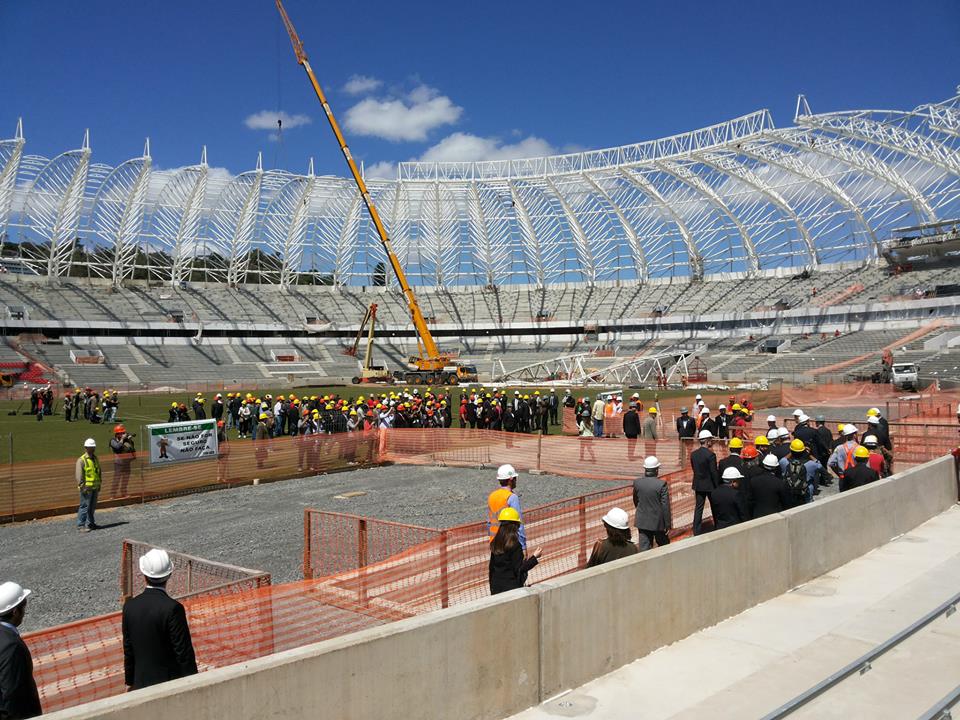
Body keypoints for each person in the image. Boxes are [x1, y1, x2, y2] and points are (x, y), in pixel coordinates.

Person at [122, 548, 198, 691]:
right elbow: (183, 653)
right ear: (169, 574)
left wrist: (130, 681)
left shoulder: (130, 607)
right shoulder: (173, 609)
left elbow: (128, 649)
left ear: (144, 574)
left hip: (141, 683)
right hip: (169, 686)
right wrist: (194, 682)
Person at [0, 581, 41, 719]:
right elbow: (12, 696)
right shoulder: (11, 646)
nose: (24, 612)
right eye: (24, 607)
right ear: (15, 611)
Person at [488, 507, 541, 595]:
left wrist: (492, 588)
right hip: (511, 589)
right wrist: (534, 557)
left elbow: (491, 568)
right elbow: (520, 569)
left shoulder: (495, 542)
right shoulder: (515, 545)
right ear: (515, 526)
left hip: (496, 587)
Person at [633, 456, 671, 551]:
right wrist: (667, 524)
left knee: (644, 549)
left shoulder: (637, 483)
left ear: (645, 469)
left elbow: (636, 501)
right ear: (656, 470)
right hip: (658, 522)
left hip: (642, 521)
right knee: (664, 547)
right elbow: (665, 506)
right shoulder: (661, 484)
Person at [487, 464, 526, 551]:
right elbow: (519, 524)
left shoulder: (492, 496)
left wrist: (492, 540)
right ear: (510, 480)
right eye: (515, 478)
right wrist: (523, 546)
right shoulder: (512, 497)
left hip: (494, 543)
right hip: (509, 543)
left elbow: (489, 522)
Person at [690, 429, 719, 535]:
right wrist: (717, 485)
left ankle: (696, 530)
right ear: (707, 441)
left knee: (698, 508)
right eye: (710, 439)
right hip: (710, 485)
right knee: (714, 506)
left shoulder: (694, 454)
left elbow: (694, 469)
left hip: (698, 485)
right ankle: (718, 525)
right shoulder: (711, 455)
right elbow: (714, 472)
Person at [780, 438, 820, 506]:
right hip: (804, 493)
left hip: (789, 491)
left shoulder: (784, 462)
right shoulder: (811, 464)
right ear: (803, 451)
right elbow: (819, 464)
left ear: (791, 450)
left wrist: (791, 452)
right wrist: (809, 454)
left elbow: (782, 459)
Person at [75, 437, 102, 532]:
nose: (92, 449)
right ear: (85, 448)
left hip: (94, 487)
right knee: (84, 506)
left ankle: (91, 523)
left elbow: (98, 472)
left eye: (93, 447)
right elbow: (79, 475)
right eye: (90, 447)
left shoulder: (95, 459)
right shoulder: (81, 460)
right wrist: (82, 486)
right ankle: (80, 525)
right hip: (86, 488)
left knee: (92, 507)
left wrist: (99, 485)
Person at [110, 424, 137, 497]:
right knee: (117, 478)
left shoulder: (126, 440)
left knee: (125, 478)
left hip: (127, 462)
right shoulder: (113, 440)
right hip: (118, 463)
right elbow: (117, 447)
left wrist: (129, 440)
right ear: (117, 434)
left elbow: (132, 448)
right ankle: (113, 494)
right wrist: (122, 439)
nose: (123, 434)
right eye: (121, 433)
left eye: (123, 433)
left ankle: (124, 492)